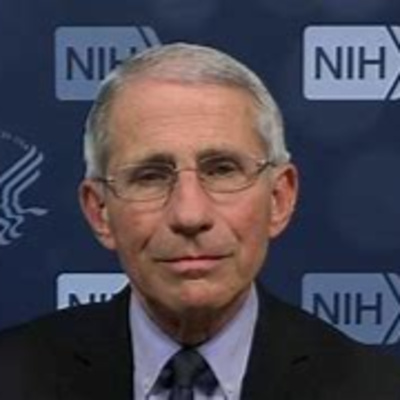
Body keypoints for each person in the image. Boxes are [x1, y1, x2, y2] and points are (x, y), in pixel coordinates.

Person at [0, 43, 399, 400]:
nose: (189, 215)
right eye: (150, 176)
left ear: (279, 199)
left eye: (222, 170)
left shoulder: (377, 388)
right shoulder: (12, 377)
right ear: (99, 210)